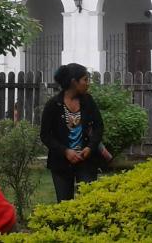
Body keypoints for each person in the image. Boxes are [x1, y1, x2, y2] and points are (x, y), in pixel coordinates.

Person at [40, 63, 104, 202]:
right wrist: (65, 151)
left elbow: (99, 127)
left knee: (89, 202)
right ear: (74, 82)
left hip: (86, 161)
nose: (88, 83)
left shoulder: (88, 101)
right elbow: (45, 135)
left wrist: (90, 147)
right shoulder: (53, 105)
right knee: (65, 205)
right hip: (61, 163)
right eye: (85, 79)